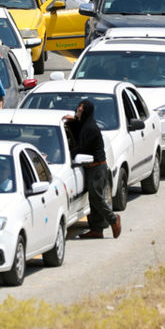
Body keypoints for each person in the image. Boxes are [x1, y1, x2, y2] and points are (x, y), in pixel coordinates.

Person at [67, 99, 120, 239]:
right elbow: (78, 129)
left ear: (86, 111)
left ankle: (113, 219)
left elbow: (80, 147)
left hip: (97, 168)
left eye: (81, 108)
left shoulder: (90, 128)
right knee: (93, 199)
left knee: (97, 198)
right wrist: (72, 121)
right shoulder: (85, 125)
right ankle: (96, 230)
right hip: (90, 168)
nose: (78, 109)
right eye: (78, 107)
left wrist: (66, 156)